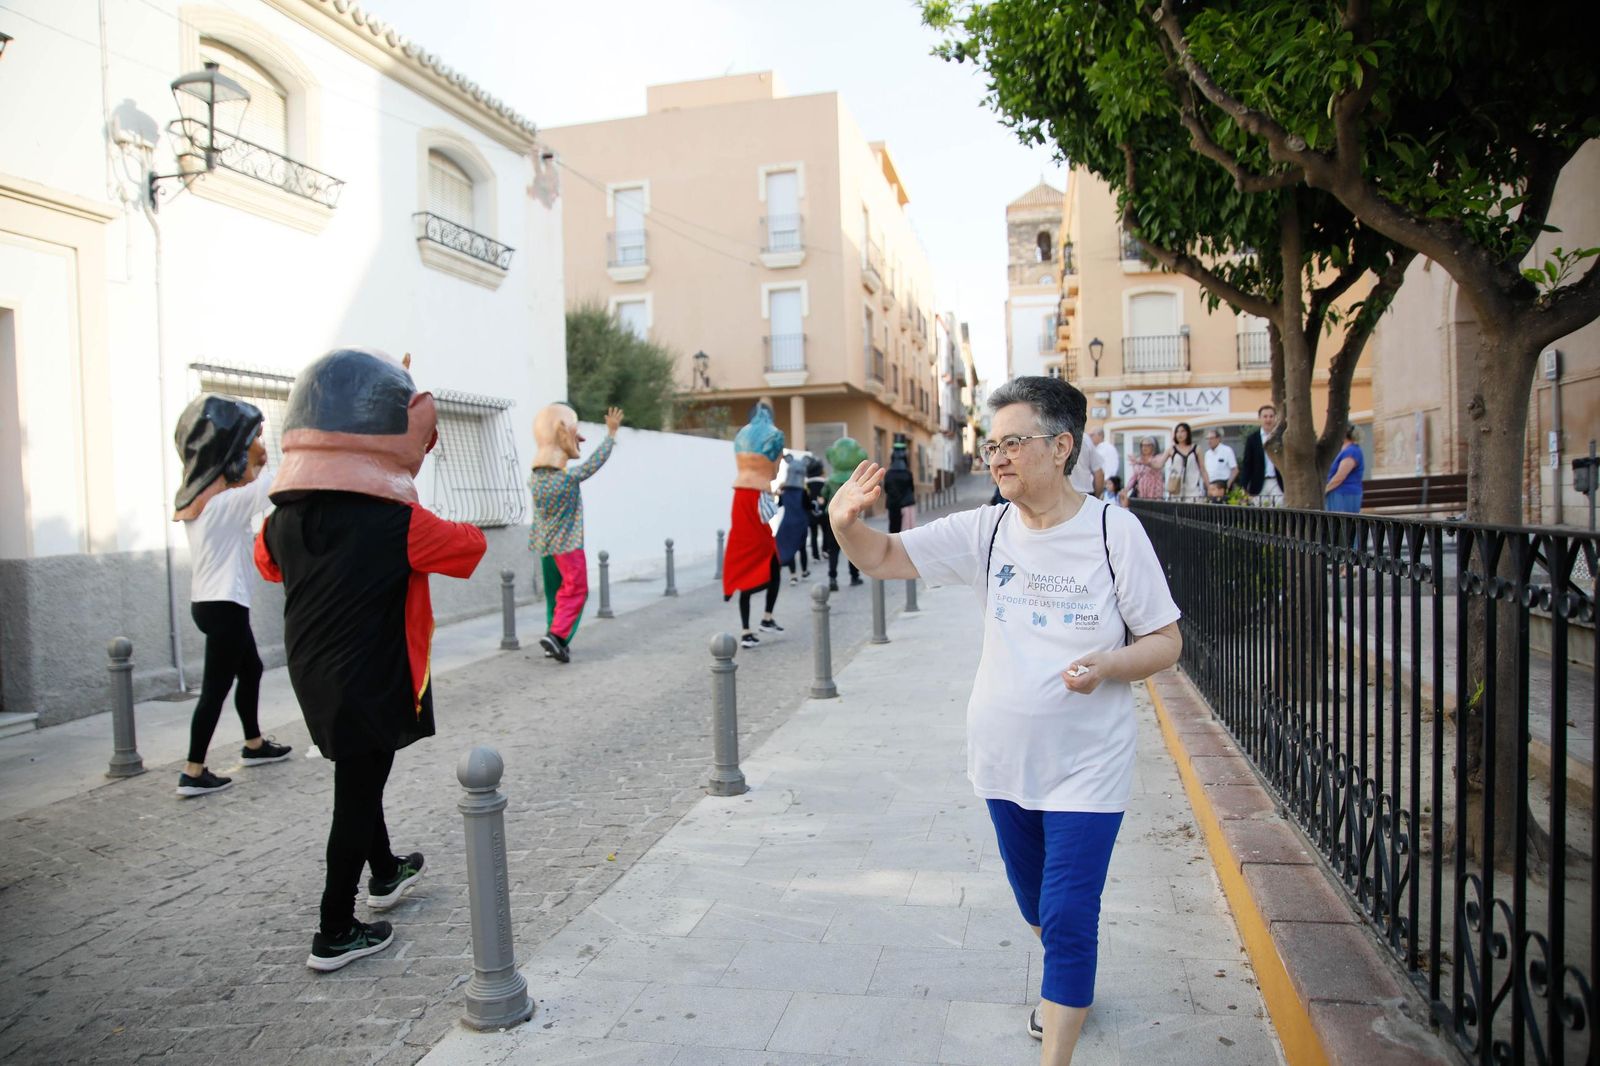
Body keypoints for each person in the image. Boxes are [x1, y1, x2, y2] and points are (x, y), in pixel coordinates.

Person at [827, 375, 1182, 1064]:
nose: (998, 458)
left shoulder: (1115, 532)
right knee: (1039, 911)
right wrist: (847, 526)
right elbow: (887, 557)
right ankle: (1067, 987)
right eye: (992, 445)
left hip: (1089, 766)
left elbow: (1166, 641)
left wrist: (1109, 665)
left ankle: (1058, 1039)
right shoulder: (986, 529)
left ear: (1061, 446)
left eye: (1013, 442)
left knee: (1072, 917)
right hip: (1002, 764)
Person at [255, 349, 487, 972]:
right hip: (371, 672)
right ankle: (334, 929)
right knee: (355, 793)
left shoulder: (281, 519)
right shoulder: (397, 522)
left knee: (360, 776)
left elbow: (267, 565)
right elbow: (470, 547)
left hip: (313, 671)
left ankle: (385, 872)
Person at [171, 395, 292, 798]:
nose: (262, 447)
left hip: (213, 602)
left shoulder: (206, 504)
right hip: (224, 605)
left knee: (252, 669)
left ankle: (254, 744)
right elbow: (282, 479)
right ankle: (193, 770)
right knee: (214, 690)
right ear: (233, 453)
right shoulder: (225, 504)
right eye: (256, 440)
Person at [528, 403, 623, 663]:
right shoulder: (567, 478)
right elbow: (594, 463)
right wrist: (611, 436)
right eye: (574, 431)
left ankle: (553, 637)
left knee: (555, 593)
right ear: (561, 434)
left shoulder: (534, 479)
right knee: (576, 590)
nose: (578, 437)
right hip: (567, 545)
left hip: (545, 547)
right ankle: (558, 636)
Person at [723, 403, 785, 649]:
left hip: (740, 536)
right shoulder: (761, 489)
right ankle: (764, 620)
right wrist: (776, 497)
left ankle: (749, 628)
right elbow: (767, 514)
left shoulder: (740, 488)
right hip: (760, 538)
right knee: (773, 573)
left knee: (745, 584)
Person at [822, 436, 868, 591]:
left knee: (833, 550)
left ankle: (832, 578)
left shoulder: (830, 481)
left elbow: (823, 495)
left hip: (832, 517)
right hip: (851, 517)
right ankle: (854, 576)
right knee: (851, 548)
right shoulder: (854, 482)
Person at [775, 452, 811, 585]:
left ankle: (791, 575)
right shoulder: (803, 493)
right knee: (800, 548)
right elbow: (808, 507)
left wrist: (779, 494)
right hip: (800, 524)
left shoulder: (786, 492)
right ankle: (803, 571)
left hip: (787, 523)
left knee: (786, 546)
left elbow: (779, 504)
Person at [1240, 404, 1284, 504]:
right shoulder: (1252, 439)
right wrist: (1243, 486)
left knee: (1280, 512)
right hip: (1259, 482)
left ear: (1275, 418)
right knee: (1261, 514)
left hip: (1278, 482)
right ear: (1260, 418)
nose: (1268, 420)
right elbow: (1247, 464)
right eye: (1265, 416)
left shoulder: (1281, 437)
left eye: (1271, 416)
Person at [1324, 424, 1365, 513]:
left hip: (1344, 494)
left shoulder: (1351, 451)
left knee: (1343, 525)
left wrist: (1325, 489)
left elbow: (1340, 476)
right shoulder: (1347, 450)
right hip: (1341, 494)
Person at [1163, 422, 1205, 501]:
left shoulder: (1196, 449)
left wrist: (1209, 486)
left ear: (1188, 433)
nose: (1179, 434)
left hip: (1193, 488)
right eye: (1177, 432)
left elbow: (1203, 469)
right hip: (1176, 488)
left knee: (1194, 510)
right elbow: (1159, 463)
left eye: (1182, 431)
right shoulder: (1171, 449)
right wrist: (1146, 461)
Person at [883, 436, 916, 533]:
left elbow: (886, 489)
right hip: (907, 504)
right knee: (907, 533)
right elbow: (912, 488)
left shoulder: (889, 474)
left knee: (894, 531)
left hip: (893, 505)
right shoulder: (907, 474)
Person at [1125, 436, 1166, 503]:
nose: (1144, 447)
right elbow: (1134, 477)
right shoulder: (1138, 460)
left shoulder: (1158, 458)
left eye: (1148, 445)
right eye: (1143, 445)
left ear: (1153, 446)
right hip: (1141, 495)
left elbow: (1155, 465)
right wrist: (1126, 489)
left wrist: (1140, 462)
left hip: (1155, 495)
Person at [1066, 427, 1104, 497]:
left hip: (1062, 495)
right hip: (1085, 494)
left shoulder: (1050, 435)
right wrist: (1096, 498)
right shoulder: (1085, 439)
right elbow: (1099, 473)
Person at [1202, 428, 1238, 501]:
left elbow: (1235, 470)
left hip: (1222, 485)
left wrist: (1228, 485)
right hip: (1210, 486)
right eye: (1207, 439)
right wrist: (1208, 486)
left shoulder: (1227, 450)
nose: (1209, 441)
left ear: (1218, 439)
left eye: (1211, 438)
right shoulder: (1207, 454)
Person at [804, 453, 827, 563]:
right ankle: (825, 550)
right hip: (823, 512)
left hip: (810, 512)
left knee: (814, 534)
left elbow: (804, 500)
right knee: (826, 531)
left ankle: (815, 555)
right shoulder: (825, 483)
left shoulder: (806, 485)